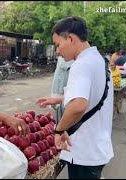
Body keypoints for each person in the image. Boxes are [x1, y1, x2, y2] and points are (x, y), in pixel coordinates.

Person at [36, 16, 114, 179]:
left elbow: (78, 106)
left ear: (70, 38)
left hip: (84, 150)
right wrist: (60, 99)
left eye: (58, 44)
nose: (57, 50)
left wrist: (59, 130)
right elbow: (91, 93)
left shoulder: (81, 64)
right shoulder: (98, 59)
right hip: (96, 146)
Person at [51, 56, 74, 123]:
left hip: (66, 85)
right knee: (59, 107)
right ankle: (60, 126)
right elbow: (65, 65)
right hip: (59, 85)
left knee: (65, 106)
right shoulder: (62, 57)